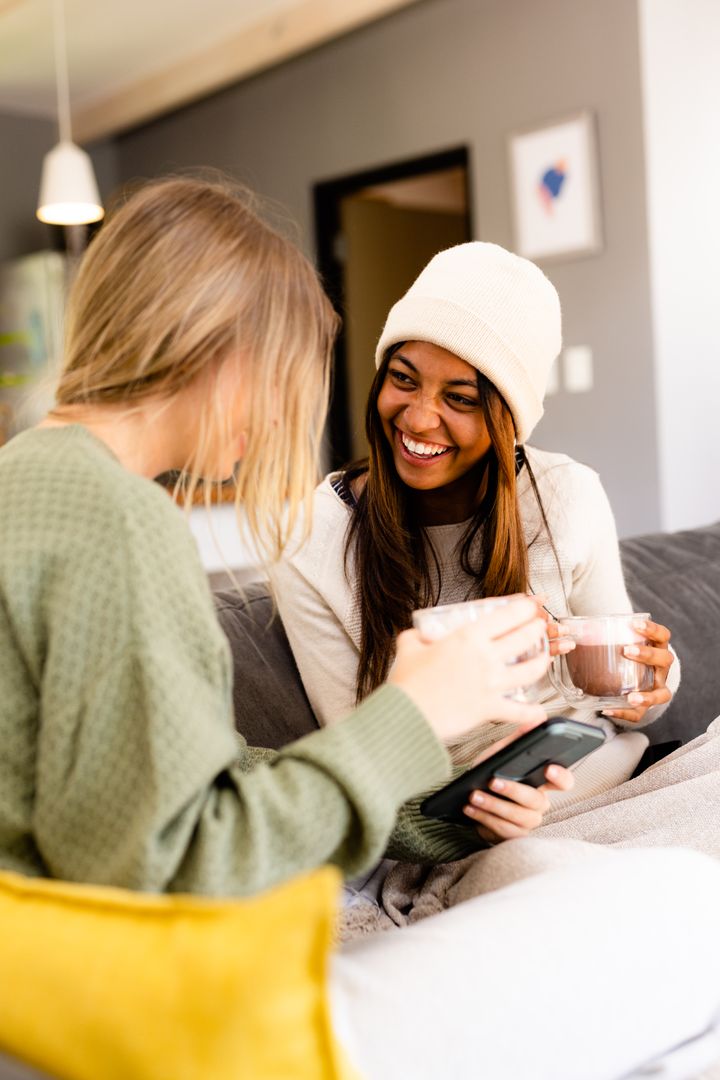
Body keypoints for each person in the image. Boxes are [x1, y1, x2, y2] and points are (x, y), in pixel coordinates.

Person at [2, 178, 719, 1080]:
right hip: (147, 1013)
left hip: (82, 978)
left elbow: (198, 796)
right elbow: (189, 863)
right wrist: (414, 715)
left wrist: (442, 815)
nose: (281, 420)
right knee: (681, 912)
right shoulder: (119, 523)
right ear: (225, 352)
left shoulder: (32, 481)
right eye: (290, 376)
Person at [273, 241, 679, 841]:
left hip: (621, 784)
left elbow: (624, 679)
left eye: (459, 399)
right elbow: (361, 765)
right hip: (472, 835)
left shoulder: (566, 493)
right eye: (402, 379)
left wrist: (656, 682)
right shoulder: (312, 540)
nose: (417, 419)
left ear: (509, 418)